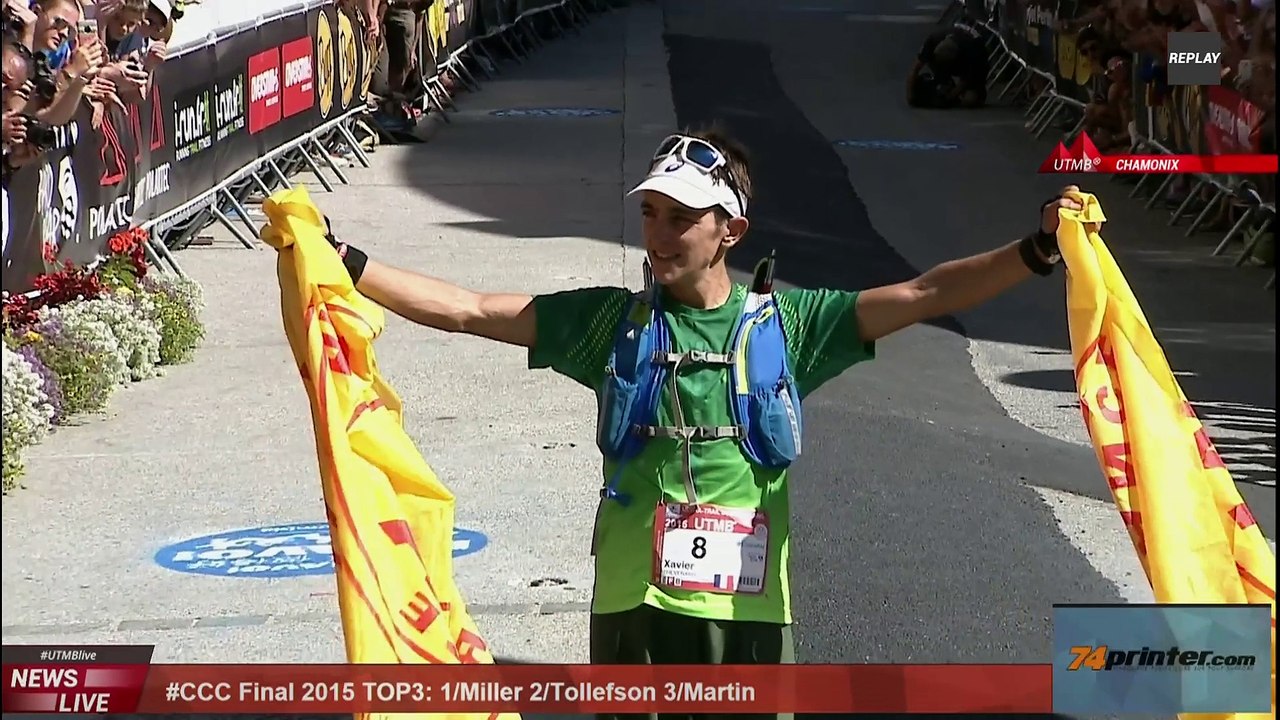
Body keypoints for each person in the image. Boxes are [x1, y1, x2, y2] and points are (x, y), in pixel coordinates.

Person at [310, 127, 1079, 719]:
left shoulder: (791, 326)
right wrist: (344, 258)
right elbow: (469, 310)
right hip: (632, 602)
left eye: (680, 218)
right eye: (650, 213)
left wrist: (1039, 248)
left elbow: (925, 295)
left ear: (730, 232)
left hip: (746, 609)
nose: (658, 233)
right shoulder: (612, 323)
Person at [907, 23, 989, 109]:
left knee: (970, 100)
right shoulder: (932, 40)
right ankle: (944, 82)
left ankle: (974, 92)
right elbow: (915, 68)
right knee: (935, 68)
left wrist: (948, 98)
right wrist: (910, 94)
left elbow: (965, 80)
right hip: (953, 43)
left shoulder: (974, 52)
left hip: (978, 63)